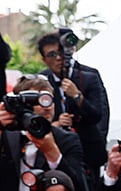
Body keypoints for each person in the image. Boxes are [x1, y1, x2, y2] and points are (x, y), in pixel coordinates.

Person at [0, 76, 87, 191]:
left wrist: (52, 153)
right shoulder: (7, 136)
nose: (46, 107)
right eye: (36, 100)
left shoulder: (67, 139)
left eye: (48, 100)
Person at [37, 31, 110, 180]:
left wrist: (77, 96)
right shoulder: (41, 80)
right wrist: (55, 124)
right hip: (56, 149)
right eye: (51, 55)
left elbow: (98, 114)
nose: (58, 58)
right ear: (44, 60)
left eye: (60, 52)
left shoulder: (89, 75)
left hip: (88, 150)